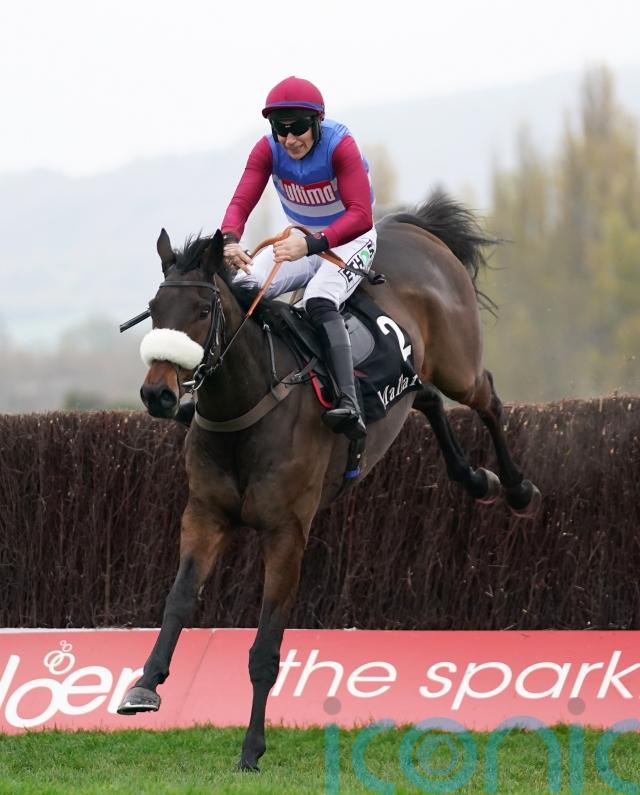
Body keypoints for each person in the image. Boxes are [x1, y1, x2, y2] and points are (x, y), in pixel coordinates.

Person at [221, 75, 376, 440]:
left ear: (318, 121)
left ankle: (349, 402)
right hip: (302, 238)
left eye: (298, 129)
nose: (289, 140)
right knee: (239, 289)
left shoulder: (340, 146)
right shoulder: (266, 150)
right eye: (280, 129)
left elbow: (361, 216)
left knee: (319, 298)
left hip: (351, 240)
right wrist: (229, 240)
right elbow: (241, 201)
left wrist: (310, 245)